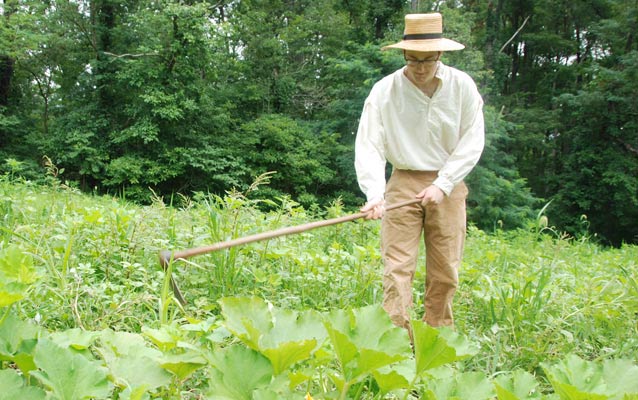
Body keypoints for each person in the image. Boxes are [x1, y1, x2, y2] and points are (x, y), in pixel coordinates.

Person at [354, 13, 485, 333]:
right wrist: (374, 194)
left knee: (445, 270)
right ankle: (396, 341)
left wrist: (443, 184)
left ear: (441, 54)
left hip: (449, 184)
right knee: (397, 268)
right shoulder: (385, 91)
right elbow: (369, 144)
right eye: (413, 59)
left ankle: (436, 338)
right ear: (404, 55)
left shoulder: (462, 86)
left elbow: (472, 139)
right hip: (403, 181)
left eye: (428, 60)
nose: (421, 67)